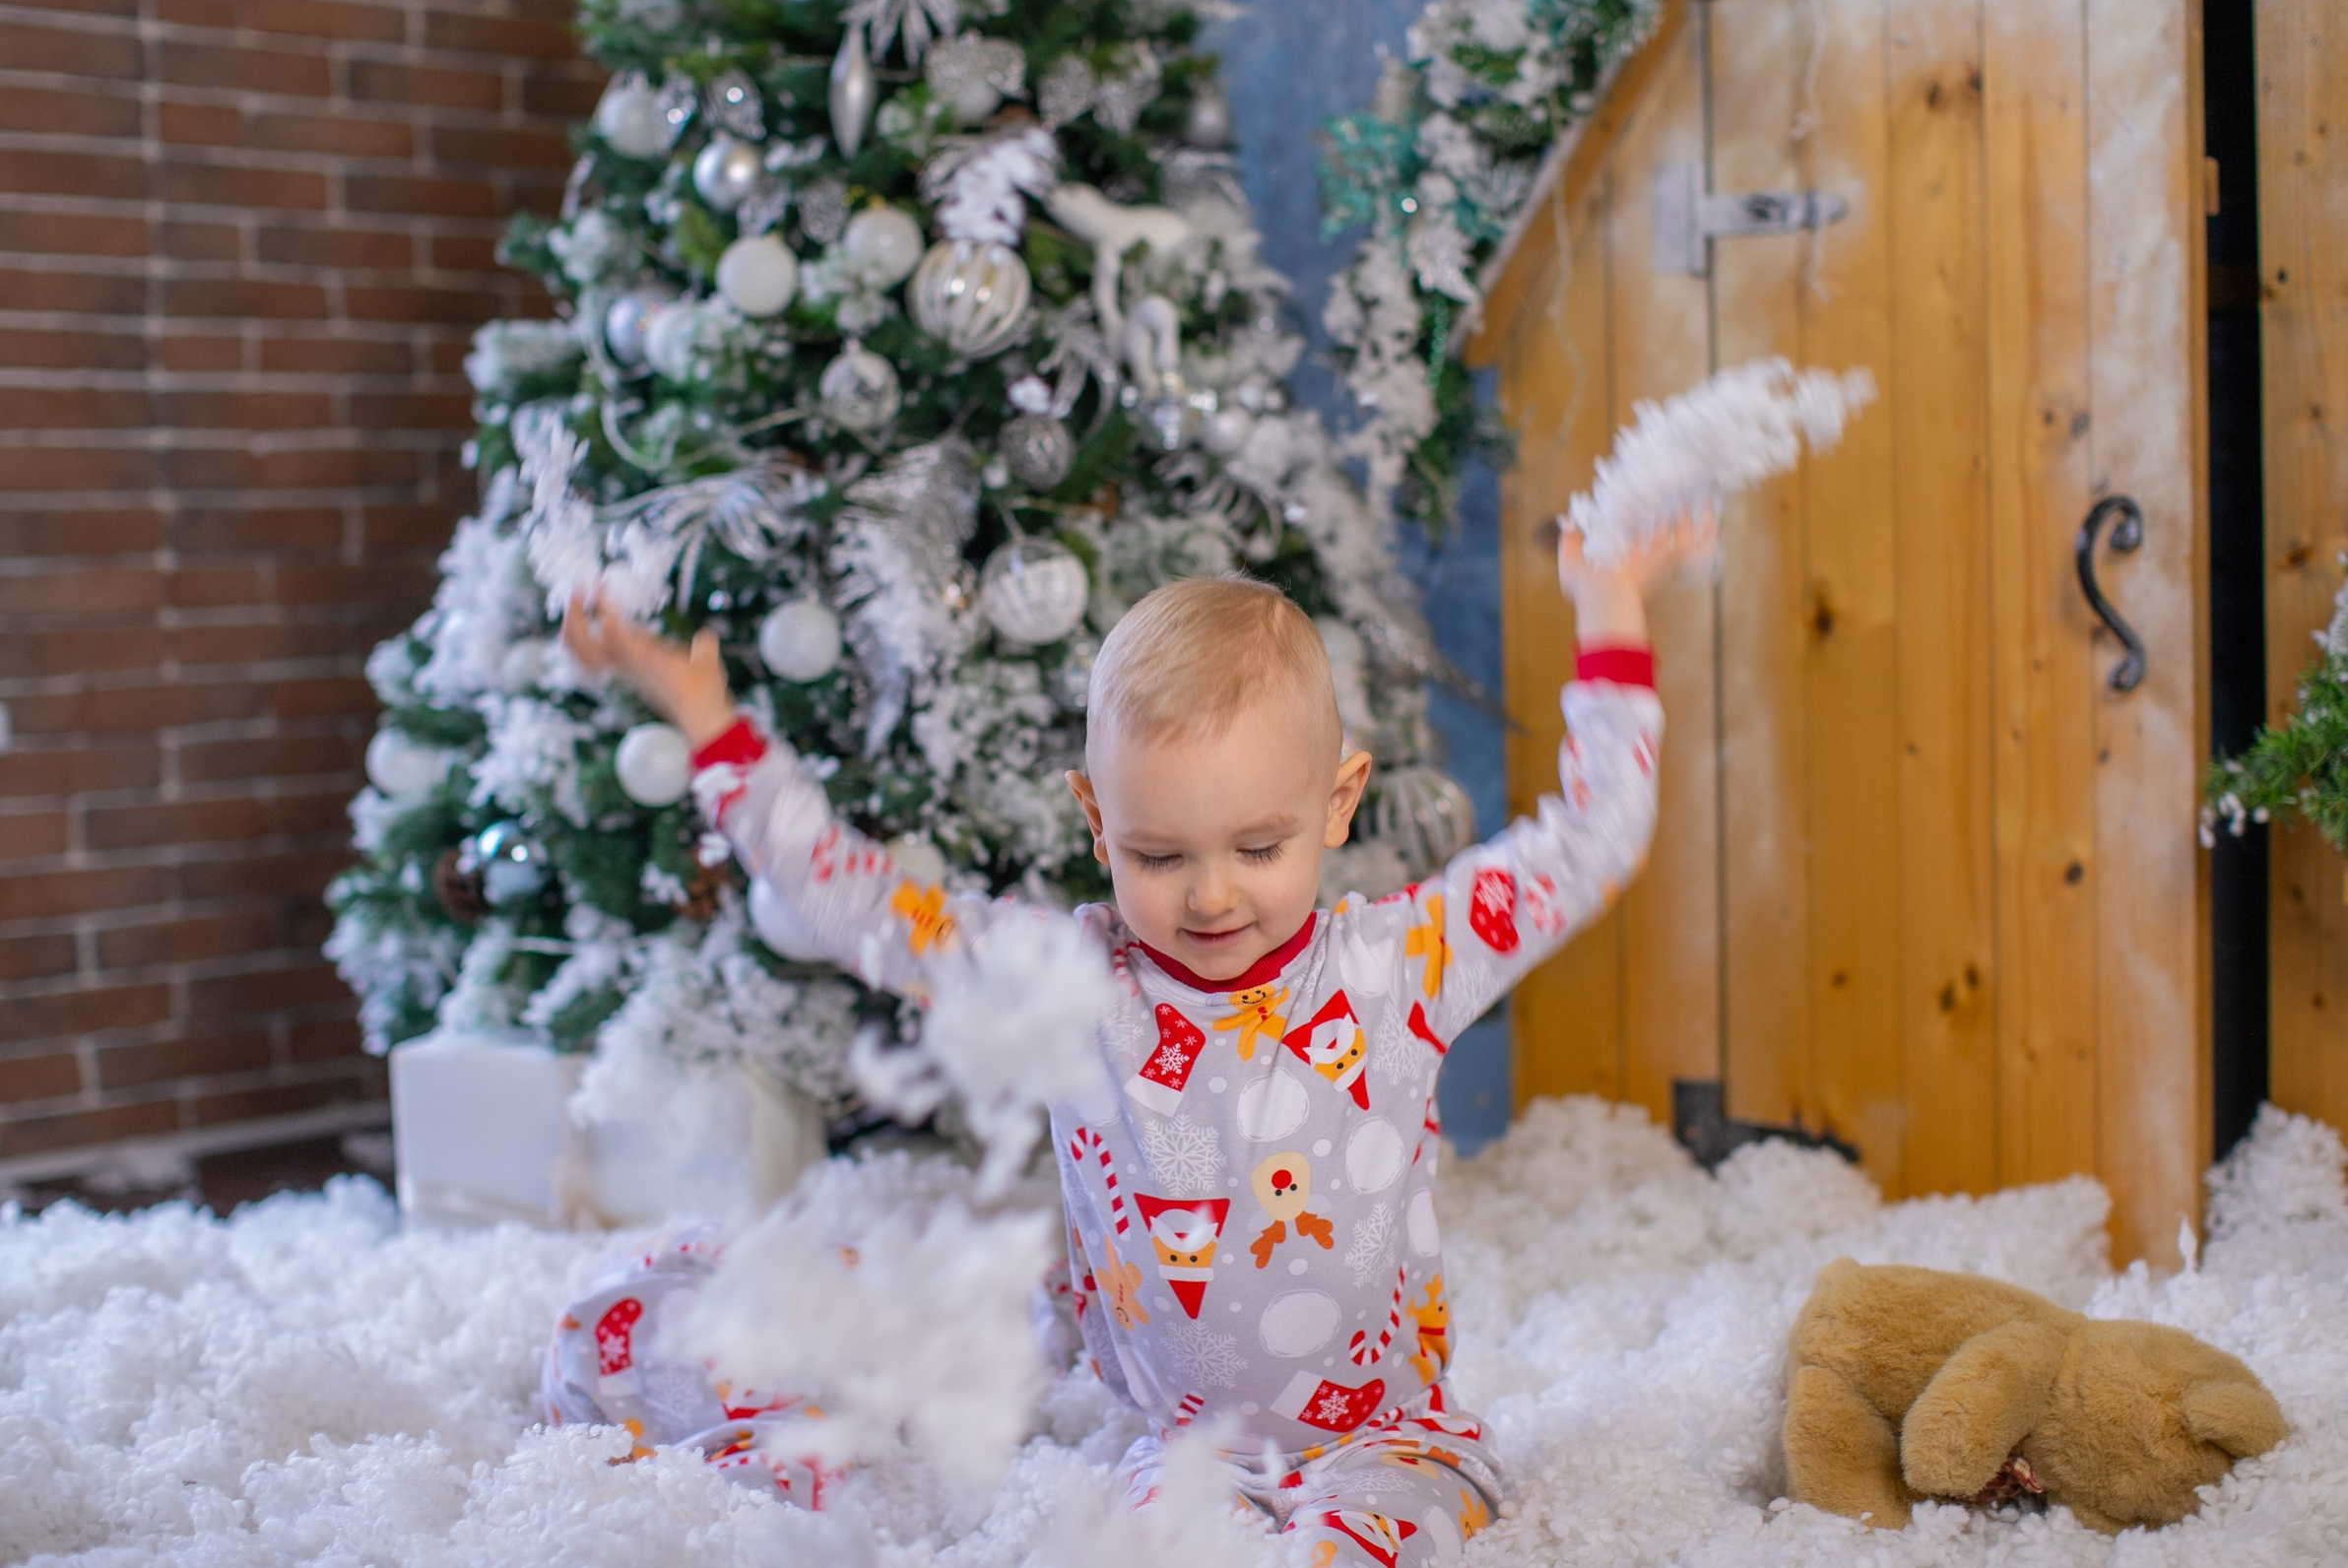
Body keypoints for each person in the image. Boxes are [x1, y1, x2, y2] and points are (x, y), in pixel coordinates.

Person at [552, 514, 1711, 1563]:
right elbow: (853, 902)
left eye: (1258, 847)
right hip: (1181, 1449)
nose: (1211, 895)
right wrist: (714, 731)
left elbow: (1592, 837)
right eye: (1158, 854)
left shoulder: (1403, 964)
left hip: (1387, 1441)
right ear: (1096, 819)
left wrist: (1608, 607)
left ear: (1338, 801)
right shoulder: (1074, 982)